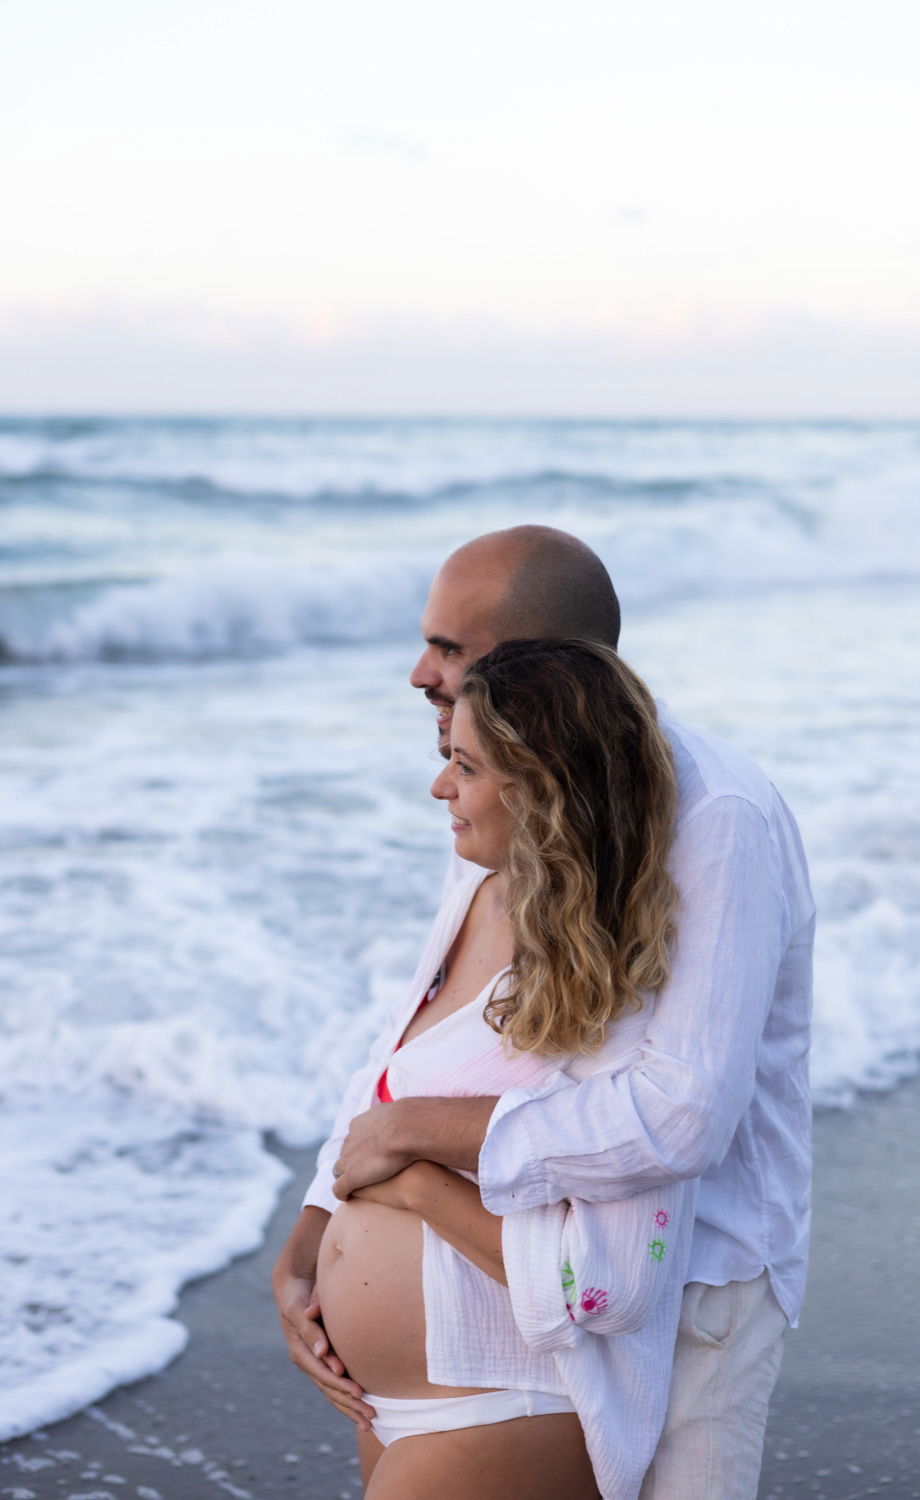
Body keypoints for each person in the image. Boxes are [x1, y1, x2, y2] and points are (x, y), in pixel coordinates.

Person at [273, 525, 814, 1499]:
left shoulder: (712, 814)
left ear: (549, 666)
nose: (420, 674)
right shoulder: (509, 812)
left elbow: (678, 1113)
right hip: (495, 1332)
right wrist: (321, 1217)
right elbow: (423, 1030)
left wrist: (412, 1155)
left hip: (690, 1287)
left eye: (450, 648)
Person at [303, 638, 697, 1500]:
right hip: (393, 1406)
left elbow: (614, 1287)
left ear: (542, 788)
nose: (439, 787)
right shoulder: (476, 895)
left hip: (506, 1407)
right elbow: (380, 1089)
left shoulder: (606, 985)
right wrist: (306, 1253)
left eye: (467, 767)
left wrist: (416, 1186)